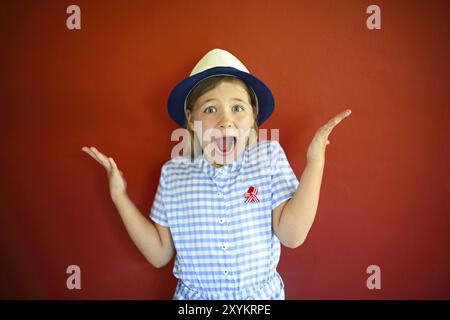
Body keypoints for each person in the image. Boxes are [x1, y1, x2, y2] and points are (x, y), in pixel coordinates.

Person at [82, 48, 352, 299]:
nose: (225, 121)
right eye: (210, 109)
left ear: (253, 115)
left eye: (238, 108)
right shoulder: (174, 174)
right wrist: (119, 196)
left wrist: (315, 161)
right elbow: (159, 253)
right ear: (191, 118)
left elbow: (292, 235)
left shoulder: (268, 157)